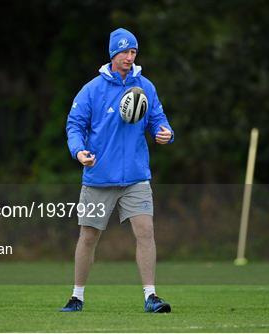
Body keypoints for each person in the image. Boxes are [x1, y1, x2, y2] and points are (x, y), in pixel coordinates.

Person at [62, 28, 174, 313]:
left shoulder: (145, 86)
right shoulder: (92, 90)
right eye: (124, 51)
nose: (129, 56)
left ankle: (151, 296)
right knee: (88, 237)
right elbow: (75, 125)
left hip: (135, 176)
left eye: (133, 51)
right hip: (99, 177)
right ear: (113, 54)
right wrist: (79, 152)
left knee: (145, 232)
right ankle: (77, 297)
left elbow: (159, 120)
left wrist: (166, 133)